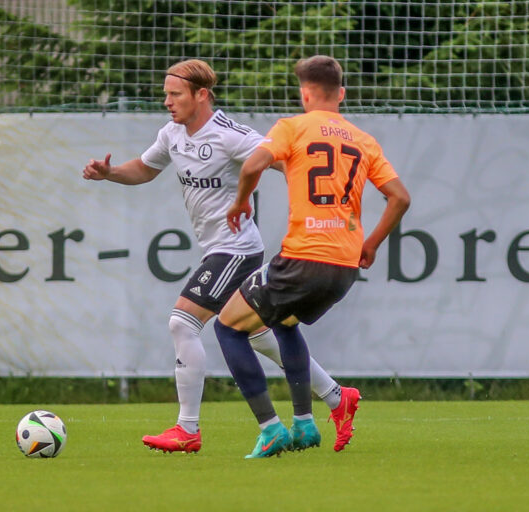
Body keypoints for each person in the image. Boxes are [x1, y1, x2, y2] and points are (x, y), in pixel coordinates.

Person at [82, 59, 361, 454]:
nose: (167, 101)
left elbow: (282, 159)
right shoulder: (172, 134)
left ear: (201, 95)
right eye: (166, 94)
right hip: (218, 249)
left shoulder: (229, 135)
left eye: (175, 94)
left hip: (237, 249)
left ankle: (188, 429)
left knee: (182, 323)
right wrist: (109, 173)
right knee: (260, 335)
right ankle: (336, 397)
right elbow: (144, 170)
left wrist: (319, 190)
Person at [214, 55, 411, 458]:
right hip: (344, 267)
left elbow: (253, 163)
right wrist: (370, 244)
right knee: (284, 324)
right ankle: (306, 422)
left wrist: (240, 201)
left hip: (304, 258)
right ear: (341, 93)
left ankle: (270, 429)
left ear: (305, 94)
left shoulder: (292, 127)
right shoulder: (363, 139)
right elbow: (400, 198)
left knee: (227, 327)